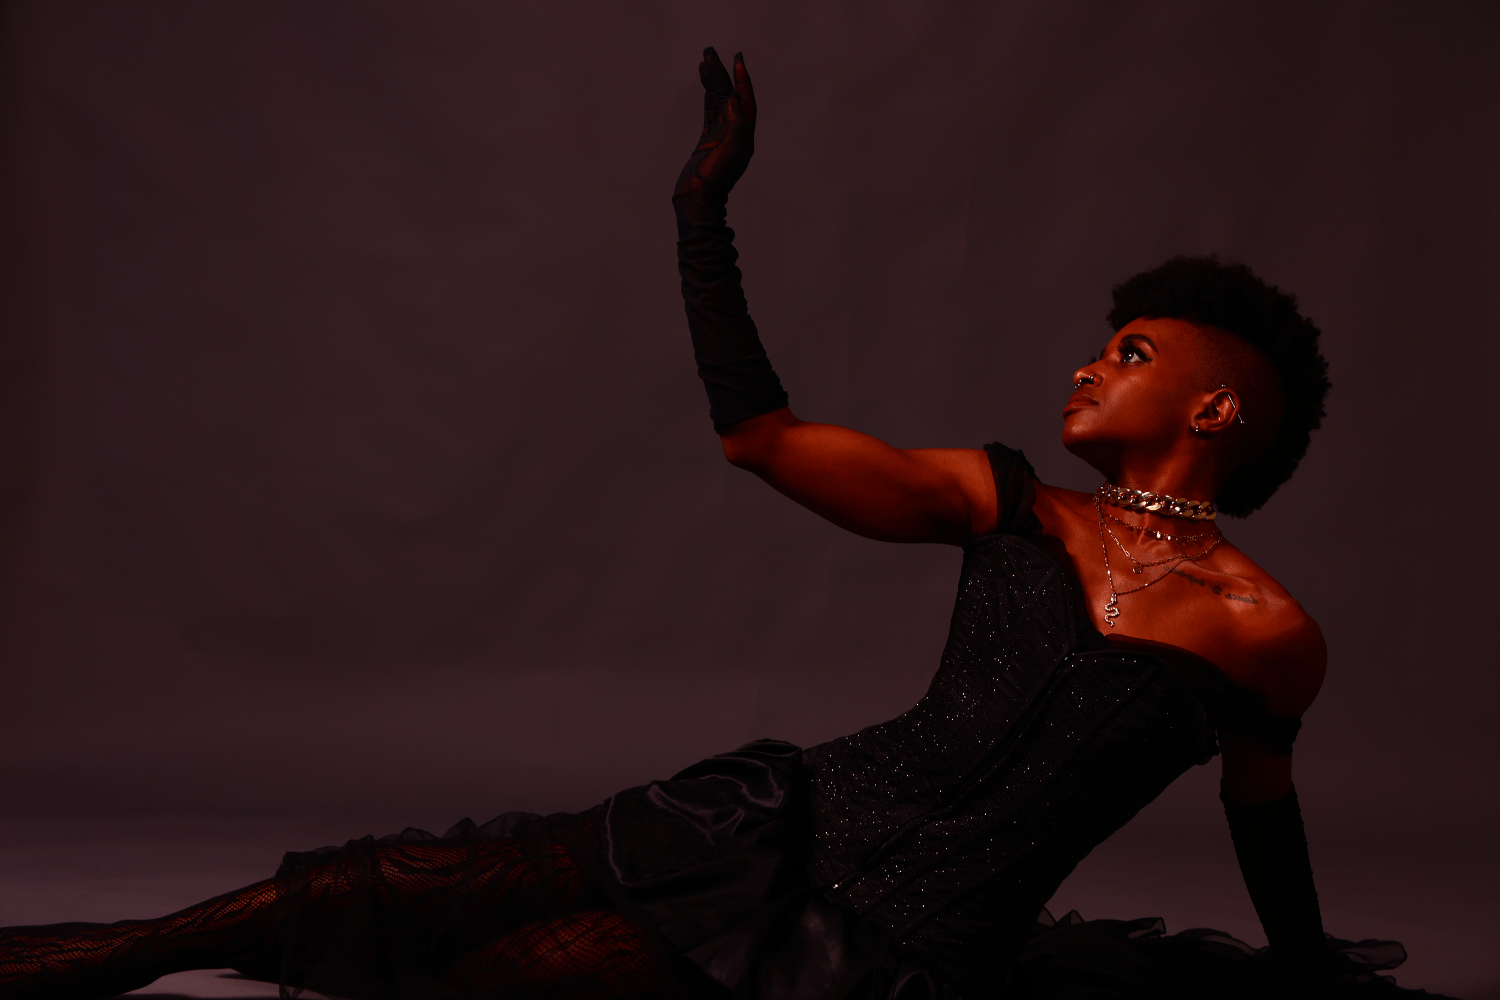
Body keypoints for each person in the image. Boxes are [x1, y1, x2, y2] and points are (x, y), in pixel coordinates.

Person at [0, 49, 1446, 1000]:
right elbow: (764, 439)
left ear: (1214, 415)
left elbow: (1269, 826)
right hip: (762, 815)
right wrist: (704, 218)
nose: (1089, 362)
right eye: (1101, 343)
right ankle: (93, 959)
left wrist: (1308, 970)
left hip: (897, 949)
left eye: (1132, 352)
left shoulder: (1273, 640)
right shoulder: (1006, 500)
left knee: (520, 978)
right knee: (394, 881)